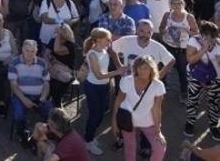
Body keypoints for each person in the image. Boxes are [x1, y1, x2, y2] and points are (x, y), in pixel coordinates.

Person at [111, 55, 167, 161]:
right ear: (135, 69)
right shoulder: (127, 81)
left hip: (147, 121)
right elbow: (118, 100)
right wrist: (114, 120)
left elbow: (157, 109)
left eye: (146, 68)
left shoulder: (158, 85)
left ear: (151, 69)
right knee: (130, 148)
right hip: (127, 120)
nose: (142, 71)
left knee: (160, 147)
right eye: (140, 68)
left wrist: (157, 130)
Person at [81, 28, 124, 156]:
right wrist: (117, 72)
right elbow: (99, 75)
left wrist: (110, 81)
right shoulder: (92, 54)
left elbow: (105, 70)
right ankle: (88, 140)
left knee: (100, 115)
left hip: (103, 87)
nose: (110, 41)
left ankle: (89, 134)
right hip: (93, 87)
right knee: (95, 115)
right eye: (108, 39)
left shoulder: (105, 50)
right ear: (99, 40)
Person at [8, 39, 53, 146]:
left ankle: (46, 135)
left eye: (32, 51)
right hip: (21, 95)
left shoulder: (42, 63)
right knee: (18, 115)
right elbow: (13, 85)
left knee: (52, 114)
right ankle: (22, 134)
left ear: (36, 51)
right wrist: (24, 100)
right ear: (22, 50)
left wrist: (43, 96)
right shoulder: (14, 63)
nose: (30, 54)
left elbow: (46, 83)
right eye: (27, 50)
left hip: (39, 96)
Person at [183, 21, 220, 140]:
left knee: (214, 102)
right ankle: (190, 123)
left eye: (213, 36)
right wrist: (203, 49)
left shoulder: (218, 44)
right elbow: (190, 60)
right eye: (208, 36)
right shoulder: (194, 41)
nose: (211, 39)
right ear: (201, 34)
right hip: (195, 76)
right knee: (193, 100)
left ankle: (214, 126)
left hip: (215, 78)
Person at [159, 0, 198, 103]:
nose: (177, 6)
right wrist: (165, 31)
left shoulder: (189, 17)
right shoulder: (167, 15)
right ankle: (162, 87)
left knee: (182, 70)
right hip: (168, 45)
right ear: (170, 5)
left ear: (183, 4)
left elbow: (196, 33)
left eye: (179, 3)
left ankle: (184, 94)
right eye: (174, 3)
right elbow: (161, 28)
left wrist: (185, 30)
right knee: (163, 66)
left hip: (182, 48)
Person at [44, 23, 76, 107]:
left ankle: (57, 105)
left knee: (55, 86)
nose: (61, 32)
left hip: (67, 71)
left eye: (63, 31)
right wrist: (49, 65)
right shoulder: (52, 40)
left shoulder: (70, 45)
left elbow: (57, 50)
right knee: (46, 80)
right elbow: (45, 54)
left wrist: (58, 34)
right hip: (53, 69)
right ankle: (48, 103)